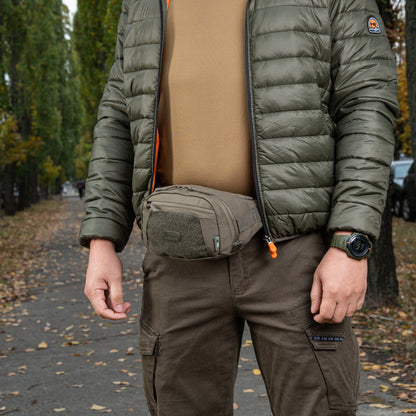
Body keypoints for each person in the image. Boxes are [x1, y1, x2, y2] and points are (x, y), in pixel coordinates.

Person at [80, 1, 399, 415]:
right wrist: (102, 240)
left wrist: (351, 243)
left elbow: (367, 105)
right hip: (178, 256)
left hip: (295, 256)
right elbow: (118, 118)